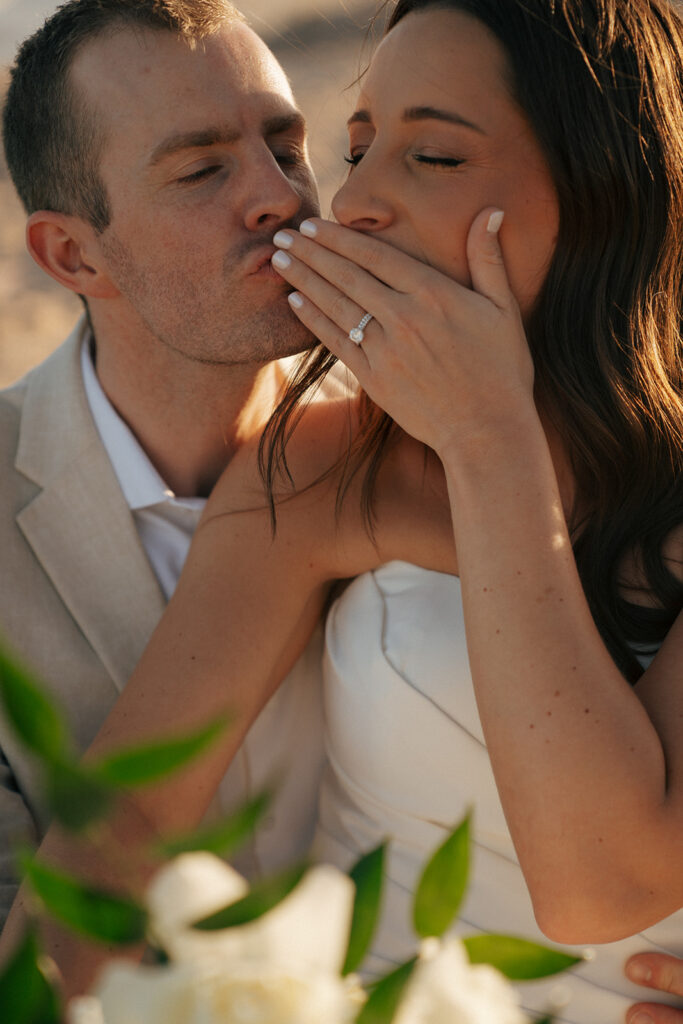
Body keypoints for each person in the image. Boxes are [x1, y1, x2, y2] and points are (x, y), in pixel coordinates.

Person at [0, 0, 680, 1019]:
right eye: (358, 147)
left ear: (602, 190)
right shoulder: (313, 471)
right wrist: (482, 438)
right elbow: (108, 857)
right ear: (70, 258)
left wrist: (489, 444)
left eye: (433, 157)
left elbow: (600, 884)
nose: (340, 202)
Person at [0, 0, 335, 986]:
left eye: (286, 143)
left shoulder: (427, 442)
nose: (277, 195)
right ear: (72, 255)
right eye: (201, 170)